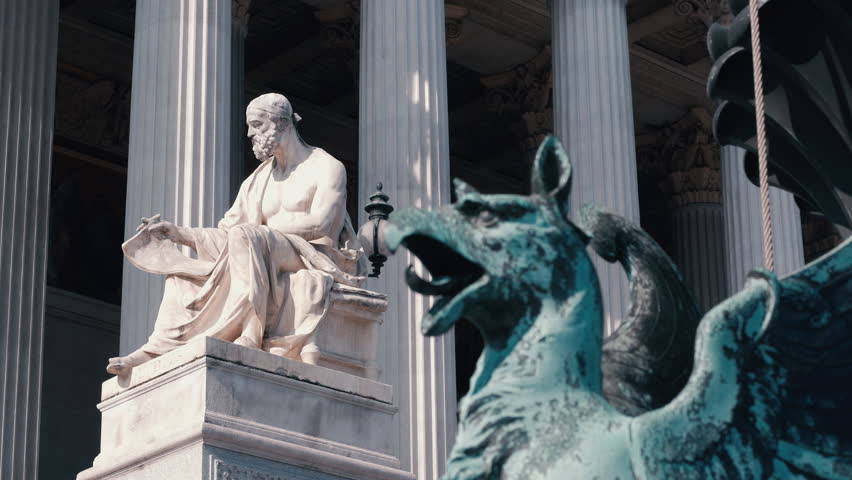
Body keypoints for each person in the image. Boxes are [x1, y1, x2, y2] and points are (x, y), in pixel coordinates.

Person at [107, 93, 365, 375]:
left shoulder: (326, 166)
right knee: (183, 274)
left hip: (312, 253)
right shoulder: (258, 179)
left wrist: (257, 233)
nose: (250, 133)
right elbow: (227, 232)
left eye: (256, 124)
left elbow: (323, 223)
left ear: (281, 123)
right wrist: (180, 234)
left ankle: (250, 334)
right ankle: (158, 348)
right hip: (257, 248)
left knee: (246, 237)